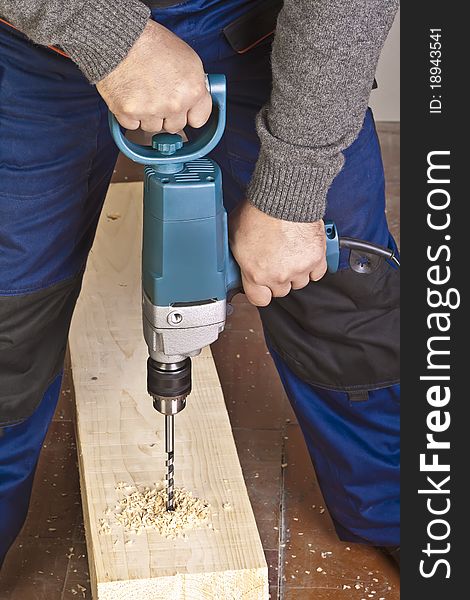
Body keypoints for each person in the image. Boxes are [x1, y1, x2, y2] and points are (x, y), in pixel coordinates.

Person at [0, 0, 400, 566]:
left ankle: (406, 515)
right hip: (34, 33)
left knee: (347, 299)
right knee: (7, 320)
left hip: (252, 27)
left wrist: (294, 184)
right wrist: (103, 31)